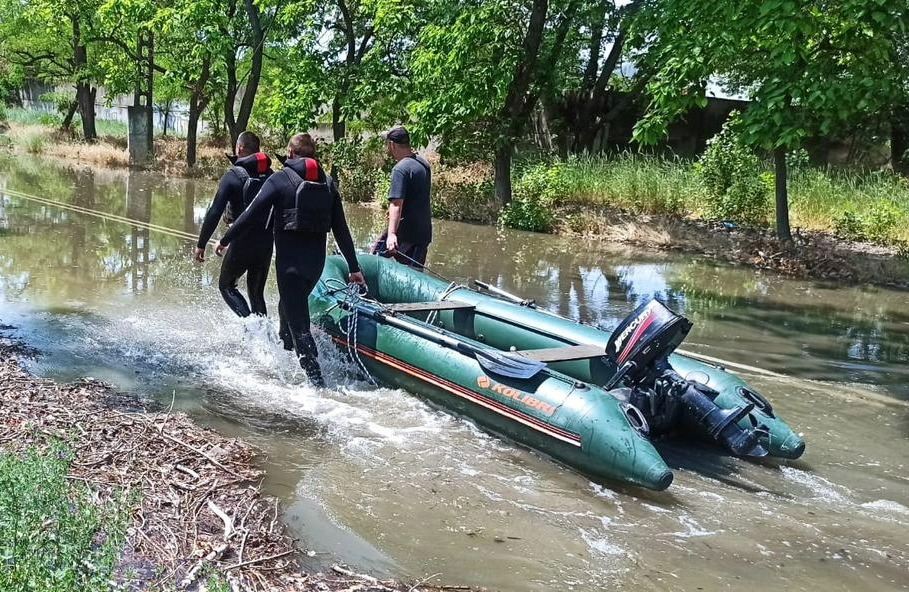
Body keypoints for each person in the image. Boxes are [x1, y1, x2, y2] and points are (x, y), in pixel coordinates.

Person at [216, 133, 364, 387]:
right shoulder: (328, 184)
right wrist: (353, 267)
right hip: (314, 267)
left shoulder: (280, 179)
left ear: (291, 153)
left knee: (300, 327)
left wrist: (226, 238)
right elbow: (342, 230)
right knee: (286, 310)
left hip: (290, 269)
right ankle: (283, 361)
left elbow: (250, 214)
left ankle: (317, 387)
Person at [194, 131, 273, 317]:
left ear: (239, 148)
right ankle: (265, 336)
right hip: (266, 242)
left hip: (241, 241)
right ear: (258, 150)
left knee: (226, 286)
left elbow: (214, 212)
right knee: (256, 293)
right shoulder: (272, 176)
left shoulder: (233, 176)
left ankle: (252, 328)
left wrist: (201, 244)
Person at [370, 125, 432, 269]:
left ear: (392, 144)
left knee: (374, 261)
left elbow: (396, 204)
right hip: (423, 233)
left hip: (404, 234)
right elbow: (417, 196)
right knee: (415, 275)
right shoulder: (423, 164)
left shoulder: (400, 169)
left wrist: (391, 234)